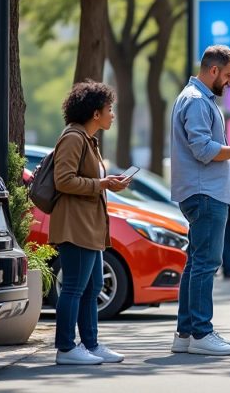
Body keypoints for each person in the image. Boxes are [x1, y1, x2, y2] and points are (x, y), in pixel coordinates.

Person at [169, 45, 230, 356]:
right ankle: (201, 332)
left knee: (196, 262)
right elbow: (203, 149)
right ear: (213, 71)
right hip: (205, 193)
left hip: (202, 192)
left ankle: (186, 333)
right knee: (206, 264)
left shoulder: (196, 98)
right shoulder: (198, 102)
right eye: (228, 75)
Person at [51, 81, 129, 365]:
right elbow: (64, 180)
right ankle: (66, 348)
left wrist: (106, 184)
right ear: (95, 113)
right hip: (76, 226)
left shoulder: (87, 139)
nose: (112, 115)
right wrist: (101, 183)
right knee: (73, 287)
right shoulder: (73, 137)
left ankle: (91, 345)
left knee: (93, 286)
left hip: (89, 226)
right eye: (110, 109)